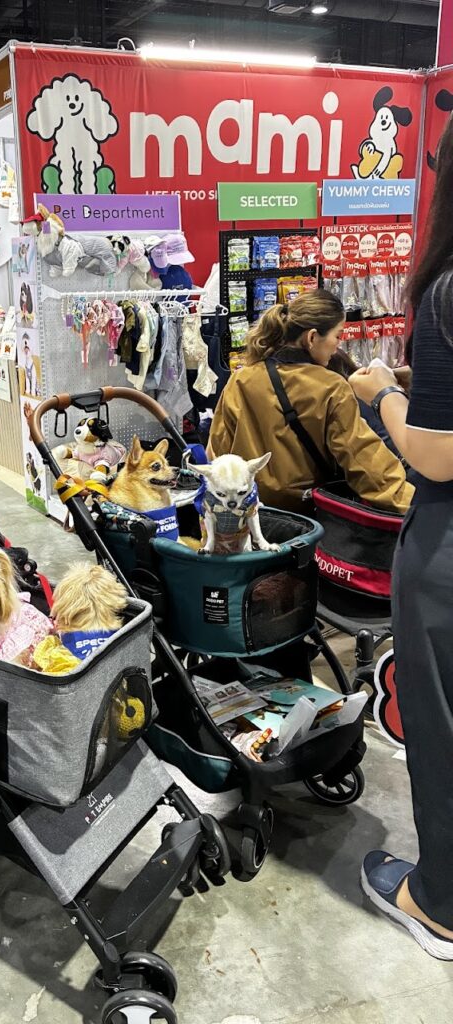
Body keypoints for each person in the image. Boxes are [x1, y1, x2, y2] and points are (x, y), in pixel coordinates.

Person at [351, 115, 453, 960]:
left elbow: (436, 453)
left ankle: (437, 906)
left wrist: (384, 393)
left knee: (443, 724)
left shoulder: (448, 292)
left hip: (450, 549)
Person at [208, 290, 413, 515]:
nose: (339, 345)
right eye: (337, 335)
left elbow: (217, 450)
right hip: (305, 518)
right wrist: (412, 504)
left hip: (247, 512)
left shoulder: (241, 378)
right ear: (312, 337)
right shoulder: (331, 387)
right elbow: (363, 460)